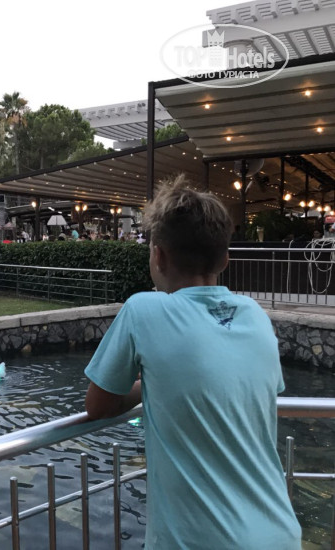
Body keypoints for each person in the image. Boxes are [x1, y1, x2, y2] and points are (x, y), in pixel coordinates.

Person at [84, 176, 300, 550]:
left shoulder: (143, 310)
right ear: (225, 258)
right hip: (280, 534)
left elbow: (98, 405)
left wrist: (146, 387)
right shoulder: (255, 315)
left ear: (158, 256)